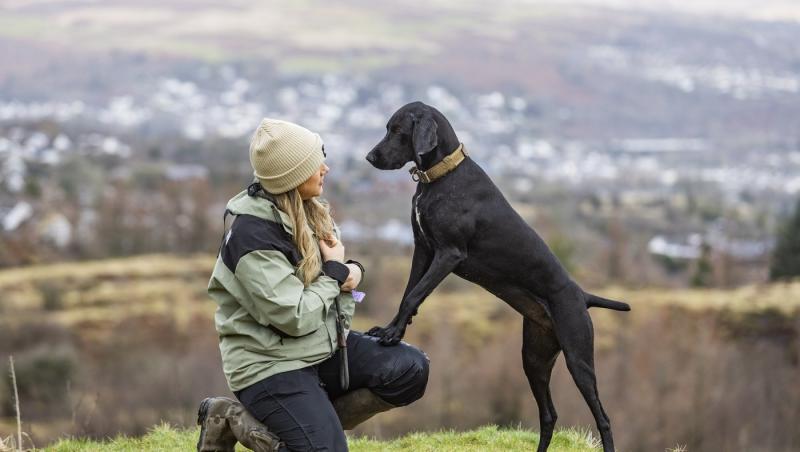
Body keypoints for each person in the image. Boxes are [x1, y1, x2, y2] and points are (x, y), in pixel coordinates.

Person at [197, 118, 430, 452]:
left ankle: (310, 430)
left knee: (409, 369)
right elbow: (294, 317)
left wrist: (351, 274)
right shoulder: (252, 239)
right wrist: (337, 273)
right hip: (269, 365)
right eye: (315, 163)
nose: (326, 168)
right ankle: (232, 419)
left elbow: (330, 290)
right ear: (292, 177)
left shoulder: (309, 213)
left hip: (319, 349)